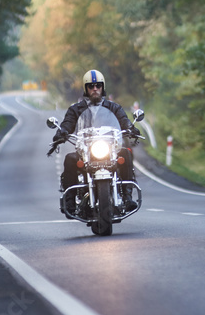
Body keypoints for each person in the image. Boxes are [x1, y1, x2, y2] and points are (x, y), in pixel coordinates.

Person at [53, 69, 140, 216]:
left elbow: (123, 121)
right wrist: (61, 132)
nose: (95, 89)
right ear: (86, 88)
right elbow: (68, 123)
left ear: (102, 87)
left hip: (108, 149)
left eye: (98, 86)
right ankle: (70, 202)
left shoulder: (113, 107)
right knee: (70, 159)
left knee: (125, 153)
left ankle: (127, 196)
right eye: (91, 86)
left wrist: (131, 128)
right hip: (86, 151)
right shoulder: (76, 109)